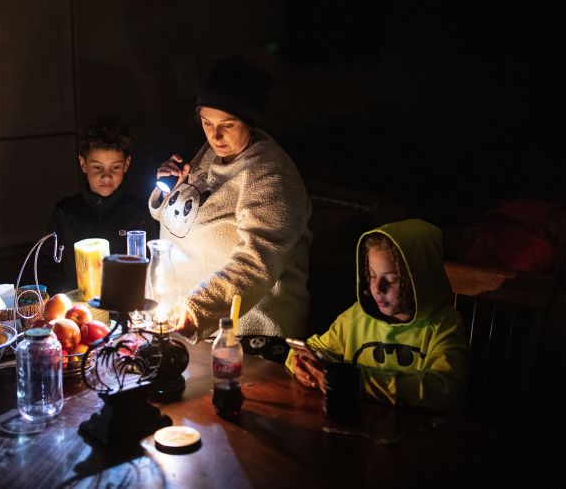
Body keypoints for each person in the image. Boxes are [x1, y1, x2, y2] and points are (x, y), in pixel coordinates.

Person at [150, 54, 312, 362]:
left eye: (227, 124)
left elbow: (255, 263)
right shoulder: (210, 154)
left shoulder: (269, 175)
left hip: (248, 341)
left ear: (249, 120)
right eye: (207, 123)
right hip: (189, 331)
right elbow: (186, 220)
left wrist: (195, 311)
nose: (215, 135)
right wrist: (167, 192)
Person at [287, 219, 467, 416]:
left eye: (391, 279)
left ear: (420, 279)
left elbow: (443, 389)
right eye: (372, 276)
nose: (377, 289)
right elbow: (318, 349)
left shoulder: (443, 324)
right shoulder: (357, 317)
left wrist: (357, 383)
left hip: (420, 435)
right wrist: (302, 365)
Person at [45, 117, 156, 294]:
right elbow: (49, 267)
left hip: (125, 308)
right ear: (83, 164)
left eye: (115, 168)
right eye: (98, 168)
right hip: (77, 312)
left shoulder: (140, 212)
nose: (106, 177)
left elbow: (152, 267)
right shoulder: (65, 212)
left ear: (126, 164)